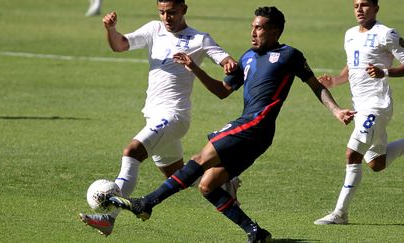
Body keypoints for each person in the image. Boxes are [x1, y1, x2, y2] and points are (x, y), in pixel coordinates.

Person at [105, 6, 355, 242]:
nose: (253, 32)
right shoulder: (246, 57)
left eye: (259, 28)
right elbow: (222, 91)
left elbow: (316, 86)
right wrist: (195, 69)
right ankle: (254, 231)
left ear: (275, 31)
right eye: (252, 27)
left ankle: (147, 203)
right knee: (207, 185)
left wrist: (336, 111)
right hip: (253, 132)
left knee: (199, 159)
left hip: (257, 124)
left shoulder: (289, 55)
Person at [79, 0, 241, 236]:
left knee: (131, 152)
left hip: (174, 115)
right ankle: (226, 183)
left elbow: (225, 59)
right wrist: (110, 30)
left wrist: (228, 64)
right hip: (154, 116)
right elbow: (121, 45)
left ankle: (109, 217)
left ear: (184, 9)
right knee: (177, 174)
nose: (167, 17)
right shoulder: (154, 29)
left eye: (172, 12)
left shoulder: (199, 39)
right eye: (162, 12)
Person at [314, 0, 404, 225]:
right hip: (361, 106)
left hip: (377, 105)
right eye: (355, 5)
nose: (359, 9)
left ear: (376, 8)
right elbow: (352, 64)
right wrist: (335, 81)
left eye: (365, 5)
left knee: (352, 154)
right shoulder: (350, 34)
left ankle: (340, 214)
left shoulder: (387, 34)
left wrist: (385, 71)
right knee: (376, 163)